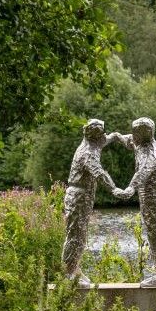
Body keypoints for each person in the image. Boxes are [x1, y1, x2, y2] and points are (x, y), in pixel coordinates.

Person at [114, 117, 156, 287]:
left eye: (136, 132)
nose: (133, 135)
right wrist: (115, 136)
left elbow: (143, 172)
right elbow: (128, 140)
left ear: (146, 133)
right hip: (147, 197)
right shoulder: (140, 143)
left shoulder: (152, 153)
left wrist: (130, 189)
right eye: (133, 132)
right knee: (155, 232)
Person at [61, 118, 122, 287]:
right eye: (100, 133)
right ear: (92, 134)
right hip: (78, 196)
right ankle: (69, 273)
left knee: (81, 234)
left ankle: (75, 269)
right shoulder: (87, 152)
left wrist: (118, 136)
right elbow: (99, 173)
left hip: (85, 195)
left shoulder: (93, 143)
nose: (103, 136)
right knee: (75, 235)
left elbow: (107, 139)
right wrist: (114, 189)